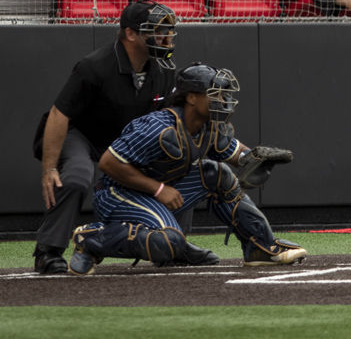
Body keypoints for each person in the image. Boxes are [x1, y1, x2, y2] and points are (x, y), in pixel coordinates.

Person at [68, 62, 307, 274]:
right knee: (167, 242)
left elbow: (237, 155)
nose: (223, 101)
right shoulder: (157, 127)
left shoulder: (210, 126)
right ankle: (91, 238)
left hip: (156, 194)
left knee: (217, 174)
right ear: (192, 97)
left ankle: (260, 248)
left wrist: (255, 159)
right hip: (117, 195)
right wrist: (159, 189)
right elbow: (108, 163)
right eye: (215, 95)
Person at [30, 0, 199, 274]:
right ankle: (47, 251)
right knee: (75, 176)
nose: (165, 37)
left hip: (126, 142)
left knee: (178, 166)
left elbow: (170, 121)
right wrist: (49, 167)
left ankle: (172, 243)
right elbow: (59, 114)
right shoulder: (93, 66)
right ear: (131, 34)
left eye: (167, 30)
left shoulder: (166, 71)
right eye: (157, 30)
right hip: (83, 135)